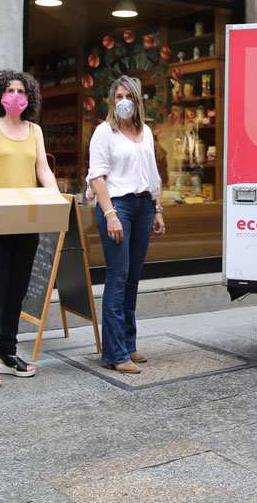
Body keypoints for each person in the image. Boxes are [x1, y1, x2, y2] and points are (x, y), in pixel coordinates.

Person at [0, 70, 58, 389]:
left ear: (29, 97)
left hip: (25, 220)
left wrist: (55, 196)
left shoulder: (35, 131)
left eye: (21, 91)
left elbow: (42, 169)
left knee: (17, 289)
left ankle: (7, 352)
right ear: (1, 95)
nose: (16, 95)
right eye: (10, 90)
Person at [86, 75, 166, 374]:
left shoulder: (145, 132)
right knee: (118, 277)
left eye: (128, 96)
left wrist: (157, 209)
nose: (123, 102)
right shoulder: (104, 132)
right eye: (118, 97)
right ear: (112, 101)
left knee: (132, 278)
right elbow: (97, 176)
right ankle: (114, 353)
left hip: (143, 205)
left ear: (137, 100)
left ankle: (128, 343)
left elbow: (152, 174)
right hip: (117, 205)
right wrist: (110, 215)